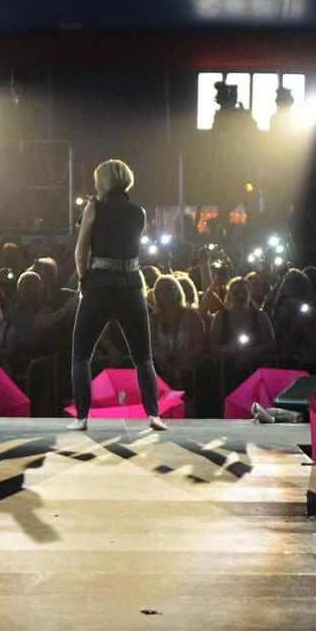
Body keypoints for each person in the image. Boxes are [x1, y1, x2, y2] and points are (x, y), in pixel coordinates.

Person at [68, 159, 167, 432]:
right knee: (143, 356)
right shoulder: (139, 212)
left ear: (104, 181)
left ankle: (82, 417)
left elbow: (80, 252)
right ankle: (153, 415)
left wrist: (84, 280)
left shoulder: (94, 207)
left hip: (99, 285)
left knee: (81, 355)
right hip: (132, 286)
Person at [148, 274, 207, 388]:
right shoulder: (154, 319)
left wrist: (181, 361)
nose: (166, 292)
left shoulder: (192, 315)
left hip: (190, 373)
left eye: (171, 288)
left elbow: (200, 345)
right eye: (161, 289)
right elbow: (151, 345)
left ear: (178, 291)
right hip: (163, 373)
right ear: (156, 295)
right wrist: (166, 359)